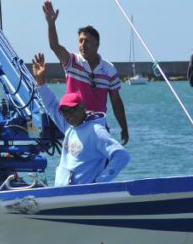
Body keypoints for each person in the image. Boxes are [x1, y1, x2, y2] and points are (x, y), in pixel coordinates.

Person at [32, 53, 129, 186]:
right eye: (64, 111)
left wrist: (101, 181)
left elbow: (122, 155)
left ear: (82, 107)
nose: (68, 115)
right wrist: (40, 79)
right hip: (63, 193)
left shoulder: (96, 131)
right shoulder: (68, 125)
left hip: (84, 194)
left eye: (72, 109)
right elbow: (50, 104)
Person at [42, 0, 129, 145]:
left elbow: (116, 102)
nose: (82, 45)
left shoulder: (109, 70)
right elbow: (54, 46)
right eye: (80, 41)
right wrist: (51, 23)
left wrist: (124, 127)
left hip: (98, 126)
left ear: (97, 44)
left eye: (87, 41)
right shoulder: (72, 61)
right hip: (75, 126)